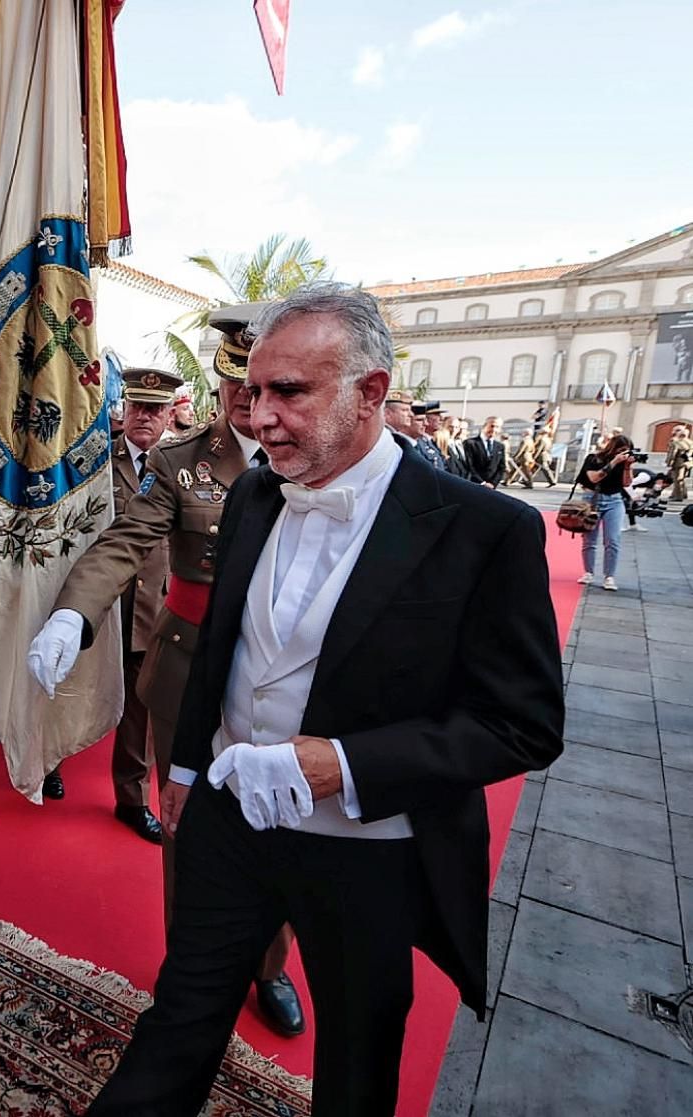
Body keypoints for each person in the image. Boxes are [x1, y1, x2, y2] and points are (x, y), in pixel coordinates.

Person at [87, 284, 564, 1117]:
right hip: (229, 825)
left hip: (369, 853)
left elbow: (520, 724)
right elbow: (219, 646)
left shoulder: (484, 530)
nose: (260, 415)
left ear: (370, 391)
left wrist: (339, 764)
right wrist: (192, 767)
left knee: (357, 1062)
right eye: (255, 390)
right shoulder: (254, 494)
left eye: (290, 392)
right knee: (177, 1023)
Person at [29, 303, 305, 1039]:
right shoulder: (180, 461)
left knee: (277, 826)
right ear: (219, 388)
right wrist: (72, 612)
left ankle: (270, 967)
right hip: (186, 673)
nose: (250, 402)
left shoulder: (312, 458)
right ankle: (192, 965)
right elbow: (125, 541)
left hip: (282, 681)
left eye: (266, 385)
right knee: (189, 831)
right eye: (237, 387)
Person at [46, 368, 179, 842]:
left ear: (168, 415)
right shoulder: (96, 459)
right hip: (98, 601)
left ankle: (130, 798)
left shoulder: (179, 464)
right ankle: (50, 758)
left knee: (140, 708)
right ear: (124, 409)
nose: (145, 417)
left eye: (156, 410)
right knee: (68, 682)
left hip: (150, 603)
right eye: (138, 407)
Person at [576, 432, 635, 591]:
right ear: (613, 448)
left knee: (613, 540)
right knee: (589, 539)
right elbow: (595, 478)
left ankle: (609, 576)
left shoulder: (624, 463)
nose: (623, 453)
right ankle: (588, 572)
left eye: (627, 450)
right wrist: (614, 462)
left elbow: (627, 483)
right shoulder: (594, 459)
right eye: (621, 449)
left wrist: (628, 466)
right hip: (592, 500)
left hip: (614, 501)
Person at [465, 416, 506, 487]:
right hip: (474, 484)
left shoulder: (500, 446)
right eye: (492, 426)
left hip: (491, 487)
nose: (494, 429)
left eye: (497, 427)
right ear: (484, 426)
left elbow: (501, 467)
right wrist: (482, 483)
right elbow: (469, 466)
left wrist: (493, 483)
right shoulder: (470, 443)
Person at [411, 401, 448, 471]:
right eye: (437, 414)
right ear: (427, 418)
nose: (441, 418)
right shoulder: (417, 442)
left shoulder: (429, 441)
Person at [666, 424, 692, 501]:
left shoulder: (676, 442)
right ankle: (682, 493)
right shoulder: (690, 442)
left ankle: (678, 496)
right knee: (681, 479)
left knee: (677, 480)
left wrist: (669, 462)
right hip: (687, 463)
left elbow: (673, 453)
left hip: (678, 463)